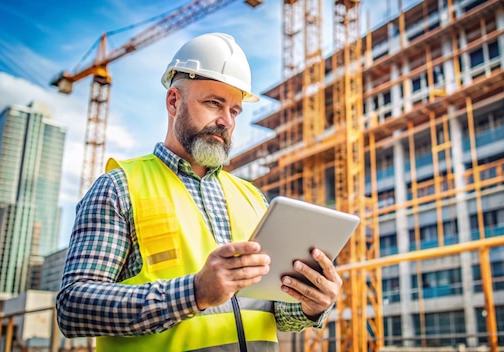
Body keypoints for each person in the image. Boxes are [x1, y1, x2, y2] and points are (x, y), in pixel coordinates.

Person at [56, 32, 343, 352]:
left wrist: (311, 305)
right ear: (173, 101)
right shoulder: (119, 187)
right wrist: (193, 292)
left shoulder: (253, 198)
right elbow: (73, 308)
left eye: (235, 110)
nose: (226, 121)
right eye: (213, 103)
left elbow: (269, 312)